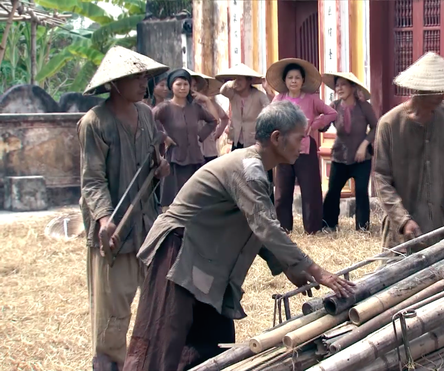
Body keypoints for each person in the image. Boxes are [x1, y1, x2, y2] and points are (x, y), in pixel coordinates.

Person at [123, 100, 355, 370]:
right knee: (164, 342)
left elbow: (255, 225)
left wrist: (287, 267)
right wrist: (316, 270)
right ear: (277, 138)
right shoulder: (249, 169)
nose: (304, 143)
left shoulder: (258, 170)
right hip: (178, 253)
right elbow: (265, 226)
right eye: (300, 137)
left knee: (212, 344)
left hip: (205, 261)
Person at [77, 45, 170, 371]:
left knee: (154, 307)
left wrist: (160, 169)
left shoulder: (146, 113)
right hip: (114, 233)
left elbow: (155, 159)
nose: (144, 82)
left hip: (147, 227)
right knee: (112, 317)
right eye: (136, 77)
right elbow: (92, 180)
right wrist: (104, 219)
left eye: (144, 75)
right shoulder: (94, 122)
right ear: (116, 83)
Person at [373, 52, 444, 256]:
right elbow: (381, 178)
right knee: (397, 280)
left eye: (442, 91)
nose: (441, 97)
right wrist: (402, 219)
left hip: (442, 221)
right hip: (403, 227)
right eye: (434, 92)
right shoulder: (389, 124)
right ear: (418, 91)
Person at [266, 58, 337, 234]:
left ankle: (313, 229)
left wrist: (315, 123)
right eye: (290, 78)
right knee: (282, 191)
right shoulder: (279, 98)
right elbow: (269, 118)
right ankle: (283, 228)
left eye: (297, 78)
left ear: (303, 81)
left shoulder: (312, 99)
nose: (294, 81)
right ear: (285, 81)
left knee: (310, 190)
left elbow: (332, 113)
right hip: (283, 150)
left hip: (305, 149)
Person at [153, 68, 224, 208]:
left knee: (195, 200)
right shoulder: (165, 107)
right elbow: (147, 120)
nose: (182, 88)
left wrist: (200, 137)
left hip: (195, 158)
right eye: (178, 84)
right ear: (171, 86)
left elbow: (213, 121)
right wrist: (164, 137)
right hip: (174, 160)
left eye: (186, 84)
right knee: (173, 201)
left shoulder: (195, 108)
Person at [320, 72, 378, 231]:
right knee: (333, 191)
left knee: (361, 191)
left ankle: (362, 228)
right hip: (340, 156)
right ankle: (328, 225)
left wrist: (364, 144)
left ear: (353, 87)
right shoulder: (334, 106)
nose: (339, 88)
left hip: (361, 157)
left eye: (343, 85)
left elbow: (376, 127)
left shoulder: (364, 106)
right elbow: (322, 127)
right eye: (337, 85)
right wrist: (320, 117)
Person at [216, 63, 273, 200]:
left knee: (259, 175)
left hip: (255, 141)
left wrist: (266, 89)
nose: (238, 82)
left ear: (249, 81)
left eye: (241, 79)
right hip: (238, 140)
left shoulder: (258, 96)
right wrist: (231, 82)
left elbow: (271, 108)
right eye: (236, 79)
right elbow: (223, 90)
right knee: (239, 176)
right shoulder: (233, 94)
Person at [188, 68, 228, 163]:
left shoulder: (210, 103)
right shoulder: (186, 106)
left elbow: (220, 119)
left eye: (194, 86)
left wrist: (217, 133)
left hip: (209, 149)